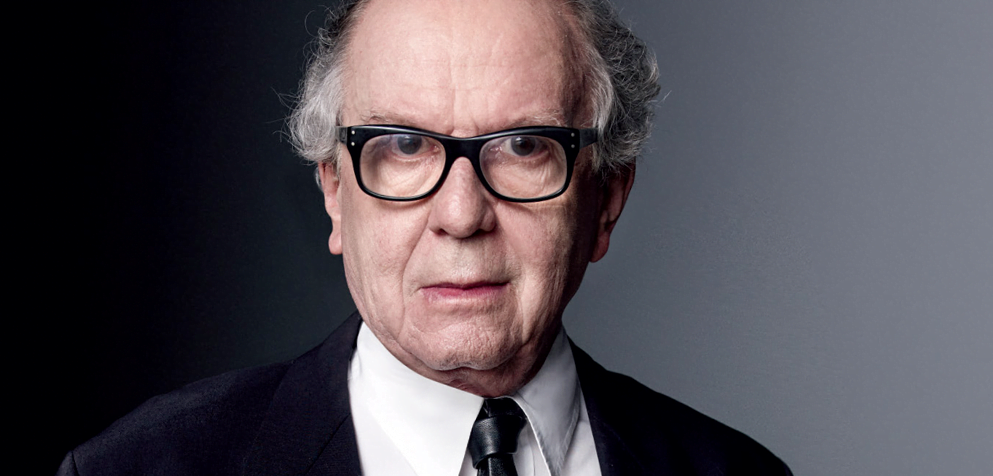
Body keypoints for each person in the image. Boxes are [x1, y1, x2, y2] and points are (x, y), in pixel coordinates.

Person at [58, 0, 792, 475]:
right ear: (335, 194)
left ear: (605, 200)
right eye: (404, 146)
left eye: (524, 146)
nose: (462, 215)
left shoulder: (736, 473)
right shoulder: (137, 469)